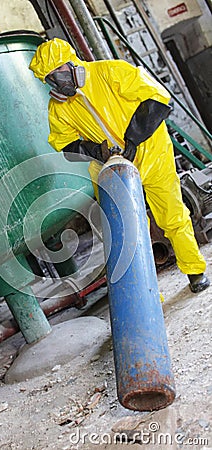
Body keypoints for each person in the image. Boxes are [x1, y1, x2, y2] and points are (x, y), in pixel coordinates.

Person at [29, 37, 210, 293]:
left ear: (73, 64)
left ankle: (194, 270)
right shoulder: (58, 108)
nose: (58, 81)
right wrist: (97, 151)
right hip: (113, 168)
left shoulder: (110, 71)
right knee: (130, 233)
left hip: (152, 153)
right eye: (50, 78)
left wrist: (133, 139)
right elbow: (66, 145)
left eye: (59, 72)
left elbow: (158, 98)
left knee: (172, 214)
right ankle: (146, 294)